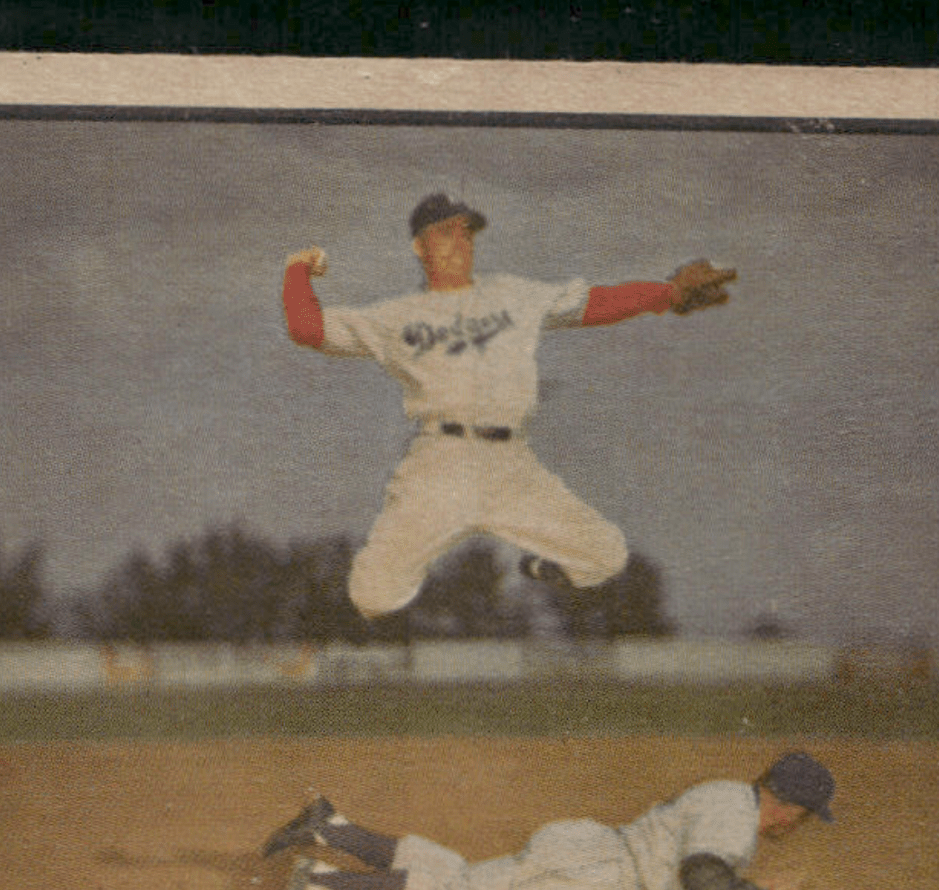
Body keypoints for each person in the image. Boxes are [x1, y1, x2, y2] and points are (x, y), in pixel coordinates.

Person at [282, 192, 736, 619]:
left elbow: (596, 303)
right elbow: (308, 329)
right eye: (445, 233)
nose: (460, 242)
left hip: (510, 464)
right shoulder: (393, 317)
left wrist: (669, 293)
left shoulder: (514, 294)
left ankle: (539, 568)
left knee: (606, 557)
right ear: (419, 247)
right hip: (441, 463)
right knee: (372, 596)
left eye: (466, 232)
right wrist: (297, 271)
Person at [259, 749, 835, 890]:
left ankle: (331, 828)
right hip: (597, 878)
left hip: (596, 862)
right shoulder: (736, 819)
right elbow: (702, 879)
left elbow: (696, 883)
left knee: (458, 876)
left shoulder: (730, 796)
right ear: (788, 806)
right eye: (806, 816)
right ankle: (318, 883)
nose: (801, 825)